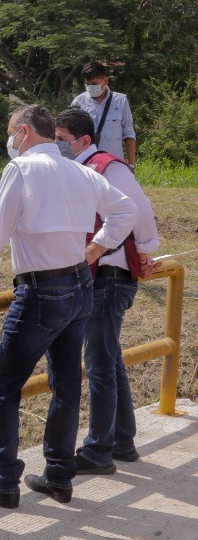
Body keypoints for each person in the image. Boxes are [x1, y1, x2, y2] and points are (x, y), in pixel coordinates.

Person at [0, 105, 136, 509]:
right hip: (81, 283)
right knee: (66, 384)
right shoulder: (81, 171)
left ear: (23, 133)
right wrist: (95, 248)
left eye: (10, 132)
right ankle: (59, 475)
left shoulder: (21, 170)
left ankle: (4, 481)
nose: (10, 141)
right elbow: (125, 211)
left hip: (41, 290)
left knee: (2, 385)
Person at [54, 108, 161, 474]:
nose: (57, 147)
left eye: (62, 140)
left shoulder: (106, 166)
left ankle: (98, 451)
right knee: (109, 360)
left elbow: (138, 209)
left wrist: (144, 249)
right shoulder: (80, 168)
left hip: (109, 276)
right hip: (101, 276)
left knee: (99, 364)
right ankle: (122, 441)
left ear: (84, 141)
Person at [70, 61, 137, 166]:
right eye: (87, 84)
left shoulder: (121, 101)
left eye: (94, 84)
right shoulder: (78, 102)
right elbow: (71, 135)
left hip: (114, 164)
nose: (90, 87)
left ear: (105, 80)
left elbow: (128, 133)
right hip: (88, 165)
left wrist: (131, 165)